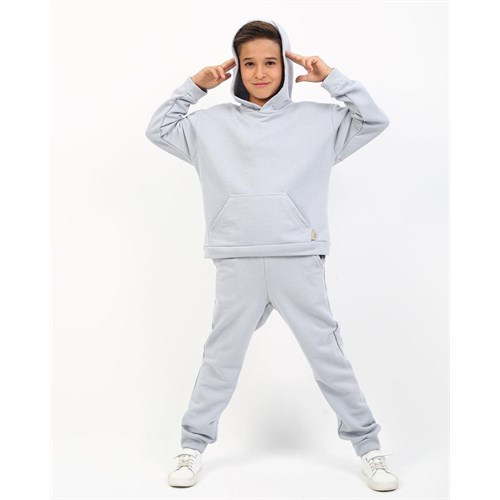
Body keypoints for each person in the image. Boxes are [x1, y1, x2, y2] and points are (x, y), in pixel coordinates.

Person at [145, 18, 398, 492]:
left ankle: (370, 448)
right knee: (220, 359)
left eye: (270, 62)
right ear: (237, 68)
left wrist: (332, 79)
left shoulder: (321, 121)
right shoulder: (208, 126)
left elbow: (374, 120)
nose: (260, 73)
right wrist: (194, 87)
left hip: (297, 257)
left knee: (327, 357)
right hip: (236, 257)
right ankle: (191, 446)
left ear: (285, 64)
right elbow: (158, 130)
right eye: (249, 63)